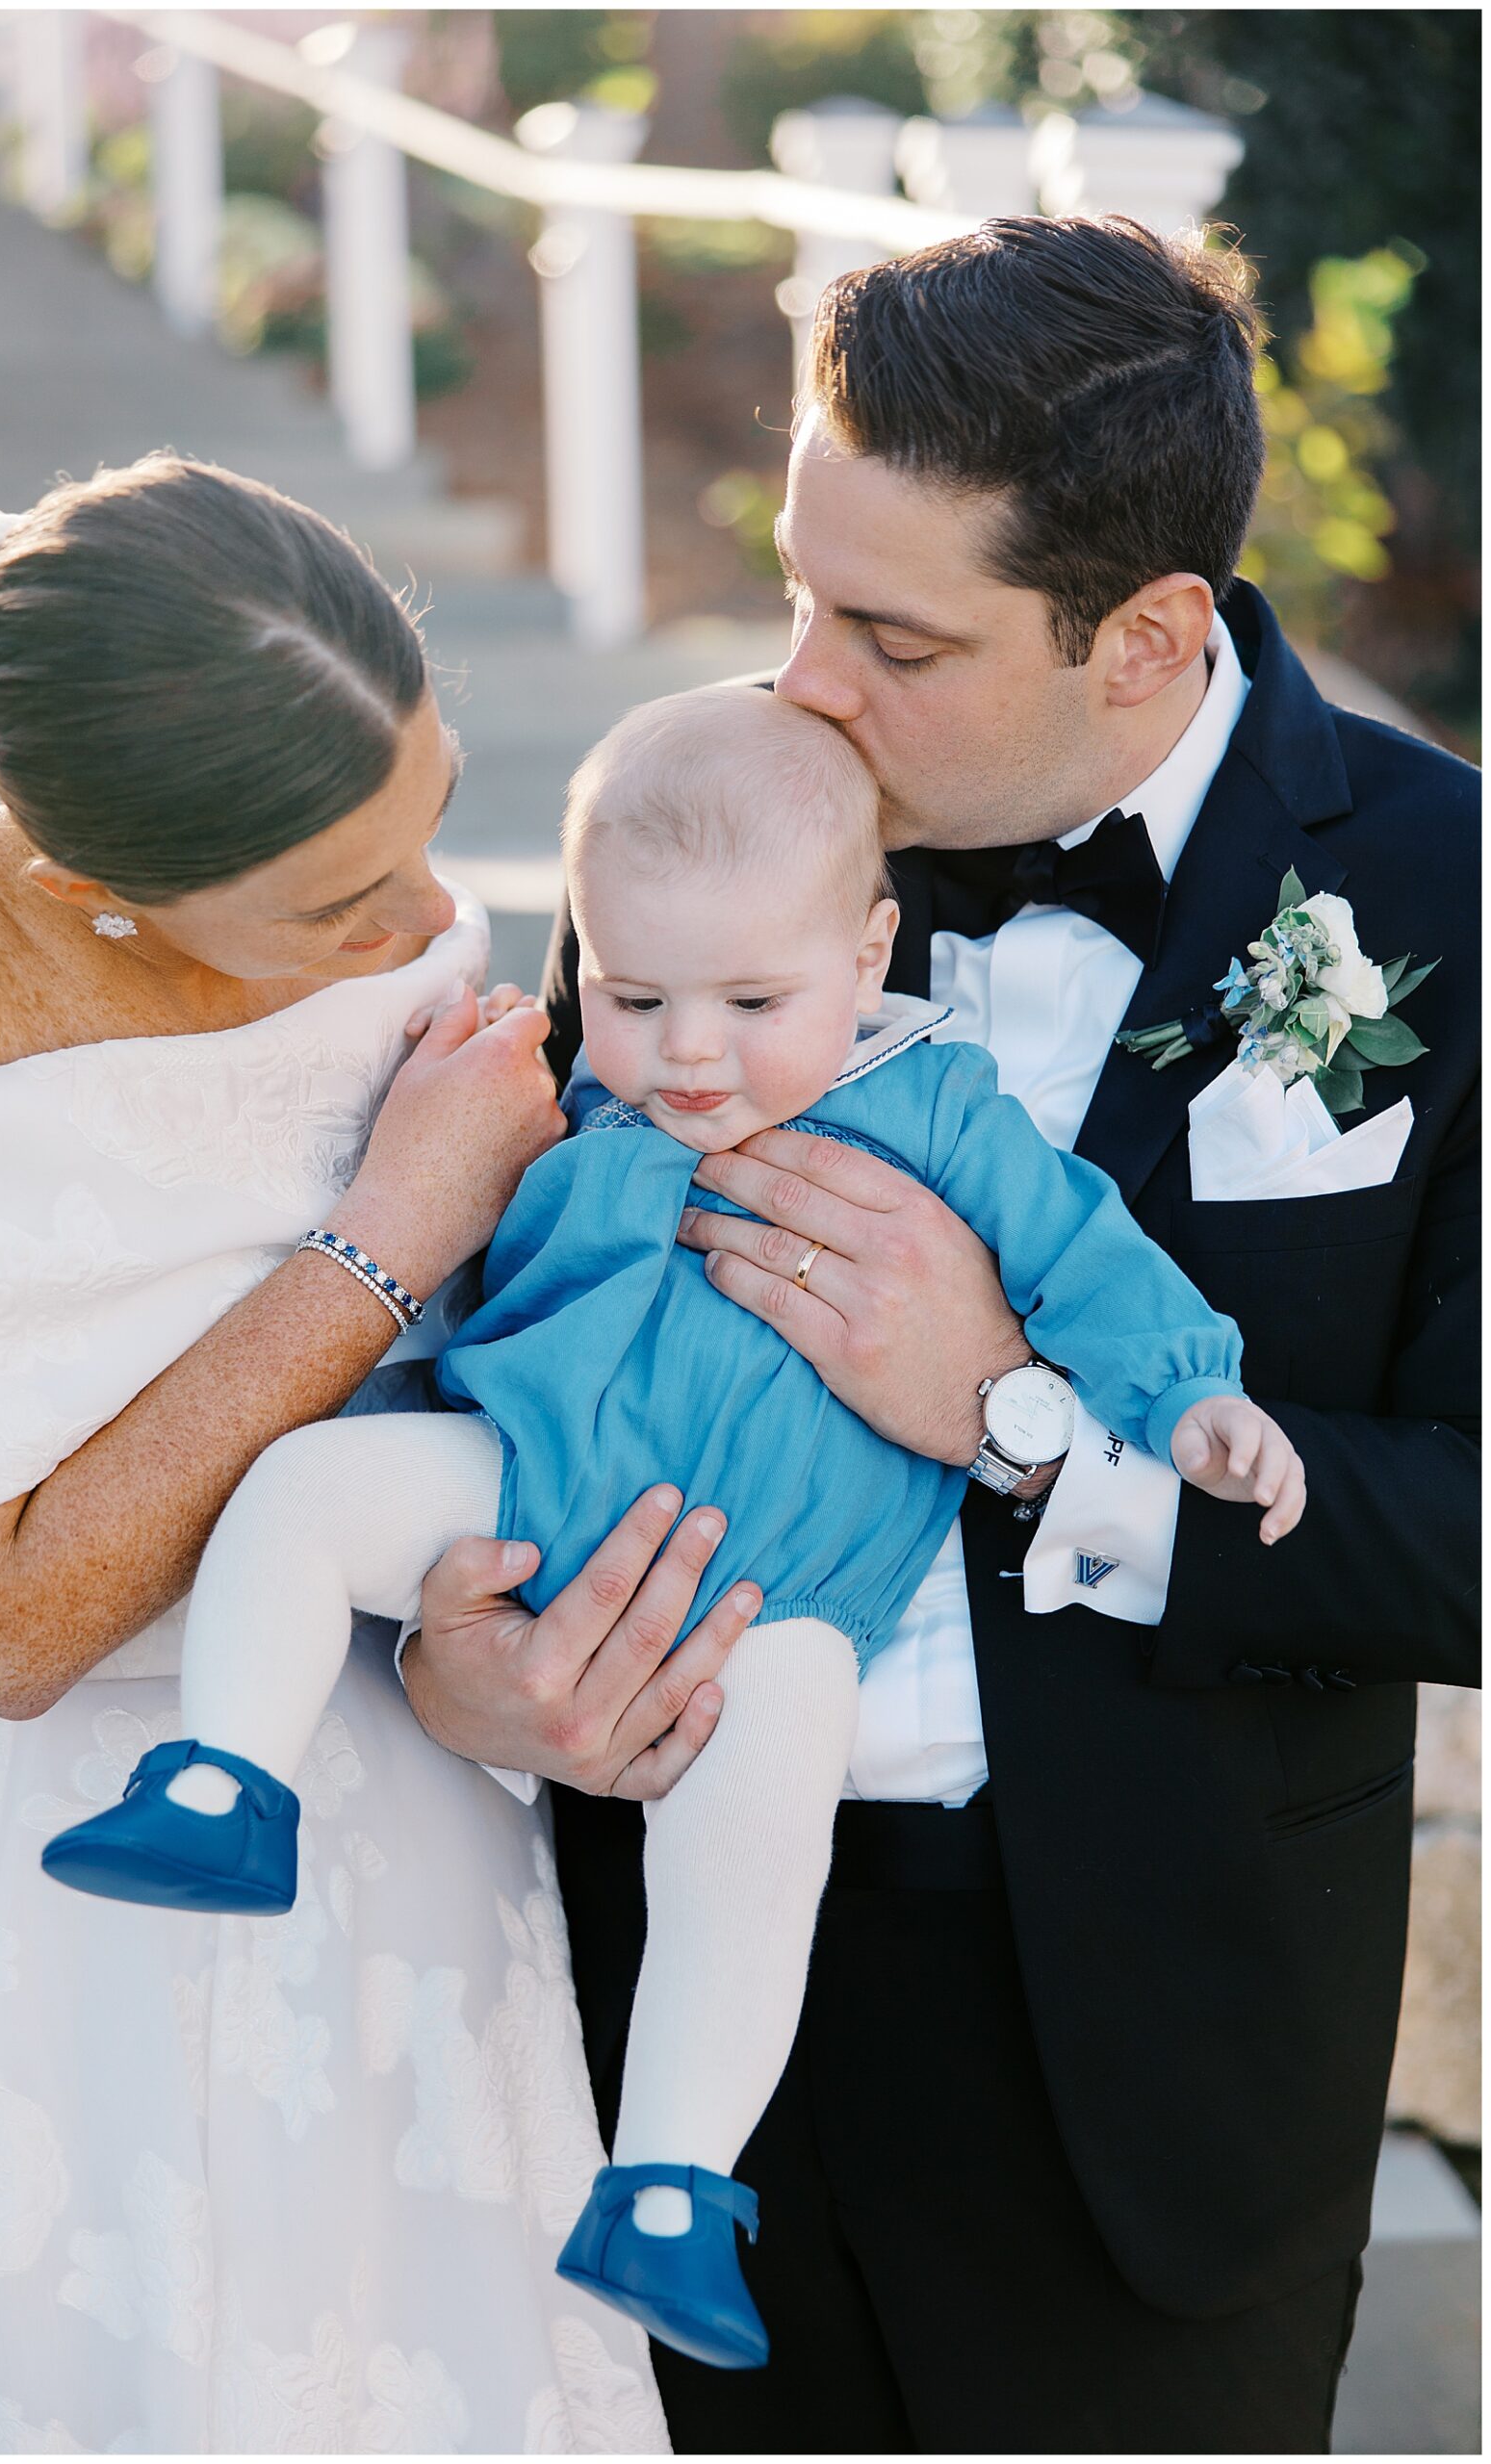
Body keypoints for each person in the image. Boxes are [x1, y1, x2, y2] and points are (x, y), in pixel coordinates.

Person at [403, 217, 1480, 2452]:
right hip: (652, 2016)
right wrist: (457, 1661)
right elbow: (508, 1308)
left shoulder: (1436, 902)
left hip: (1150, 2081)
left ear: (1143, 635)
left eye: (889, 636)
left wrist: (1017, 1414)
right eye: (798, 592)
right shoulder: (703, 810)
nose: (803, 684)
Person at [40, 682, 1303, 2374]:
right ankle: (226, 1782)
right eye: (635, 997)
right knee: (301, 1495)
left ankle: (669, 2188)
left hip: (779, 1603)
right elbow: (471, 1262)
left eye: (749, 1003)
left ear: (865, 954)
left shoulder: (933, 1102)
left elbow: (1085, 1257)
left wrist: (1191, 1393)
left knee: (749, 1868)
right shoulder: (582, 1095)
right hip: (526, 1480)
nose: (688, 1051)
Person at [0, 455, 740, 2454]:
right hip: (130, 1916)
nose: (430, 919)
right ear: (94, 892)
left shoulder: (377, 895)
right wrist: (387, 1235)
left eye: (431, 822)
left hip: (450, 1848)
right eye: (340, 907)